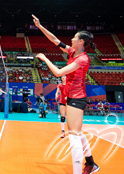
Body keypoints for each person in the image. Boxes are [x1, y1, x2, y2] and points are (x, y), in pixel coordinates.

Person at [33, 14, 99, 174]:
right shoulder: (72, 52)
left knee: (74, 136)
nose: (71, 40)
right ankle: (91, 163)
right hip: (71, 98)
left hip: (77, 98)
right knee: (76, 133)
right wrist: (40, 26)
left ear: (81, 42)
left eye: (74, 38)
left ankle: (81, 170)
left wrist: (45, 59)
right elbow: (55, 40)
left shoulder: (82, 59)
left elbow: (58, 72)